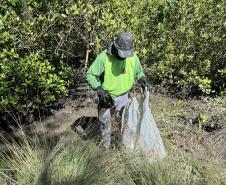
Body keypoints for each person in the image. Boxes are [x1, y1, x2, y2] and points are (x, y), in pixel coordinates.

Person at [86, 32, 148, 148]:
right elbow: (90, 75)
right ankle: (105, 150)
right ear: (116, 46)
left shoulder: (133, 57)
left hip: (124, 96)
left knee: (122, 123)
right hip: (106, 96)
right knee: (106, 125)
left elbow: (139, 72)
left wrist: (142, 78)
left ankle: (119, 147)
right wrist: (99, 89)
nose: (124, 56)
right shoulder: (104, 57)